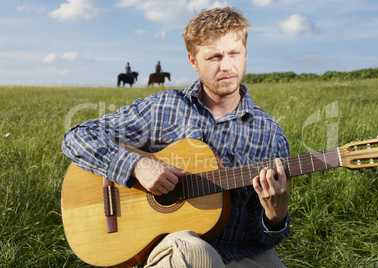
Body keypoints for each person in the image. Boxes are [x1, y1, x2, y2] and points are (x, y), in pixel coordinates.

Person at [62, 6, 291, 268]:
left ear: (245, 55)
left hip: (239, 253)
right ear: (193, 61)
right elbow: (78, 136)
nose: (226, 65)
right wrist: (137, 166)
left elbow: (264, 238)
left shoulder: (270, 133)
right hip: (174, 249)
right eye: (214, 57)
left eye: (234, 54)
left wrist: (275, 216)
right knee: (191, 251)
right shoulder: (163, 107)